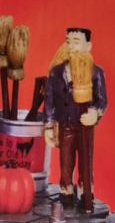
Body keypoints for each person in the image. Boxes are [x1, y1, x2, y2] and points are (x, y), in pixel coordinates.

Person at [43, 28, 108, 207]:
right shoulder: (57, 73)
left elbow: (102, 100)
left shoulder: (95, 72)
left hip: (85, 127)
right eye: (68, 41)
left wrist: (95, 112)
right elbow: (49, 100)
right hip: (65, 125)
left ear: (88, 46)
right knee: (65, 161)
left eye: (77, 42)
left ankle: (86, 191)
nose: (71, 46)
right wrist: (48, 125)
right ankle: (66, 192)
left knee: (86, 161)